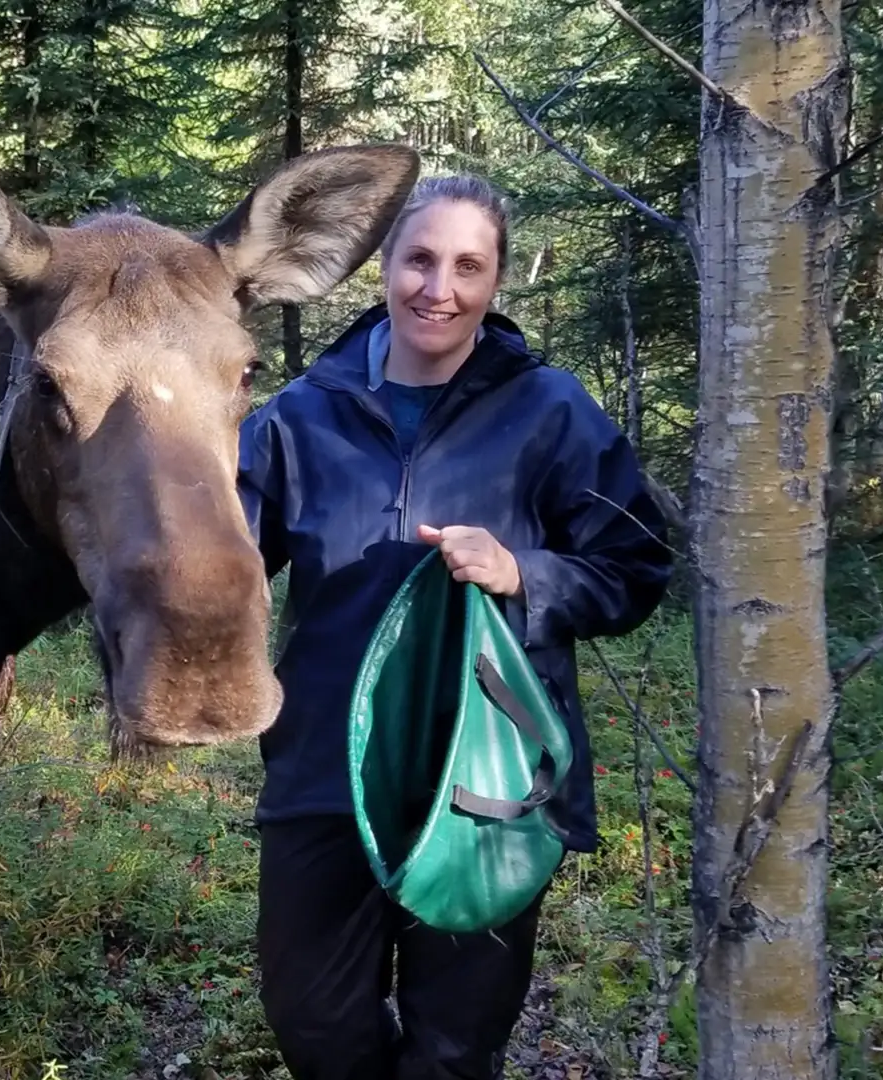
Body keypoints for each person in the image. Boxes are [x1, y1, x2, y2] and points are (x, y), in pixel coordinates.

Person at [235, 173, 675, 1080]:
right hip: (327, 770)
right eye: (420, 260)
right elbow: (221, 561)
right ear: (384, 267)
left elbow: (635, 572)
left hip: (488, 779)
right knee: (312, 1018)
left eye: (468, 266)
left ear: (496, 281)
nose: (439, 288)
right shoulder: (300, 417)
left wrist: (523, 573)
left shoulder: (551, 411)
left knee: (454, 1047)